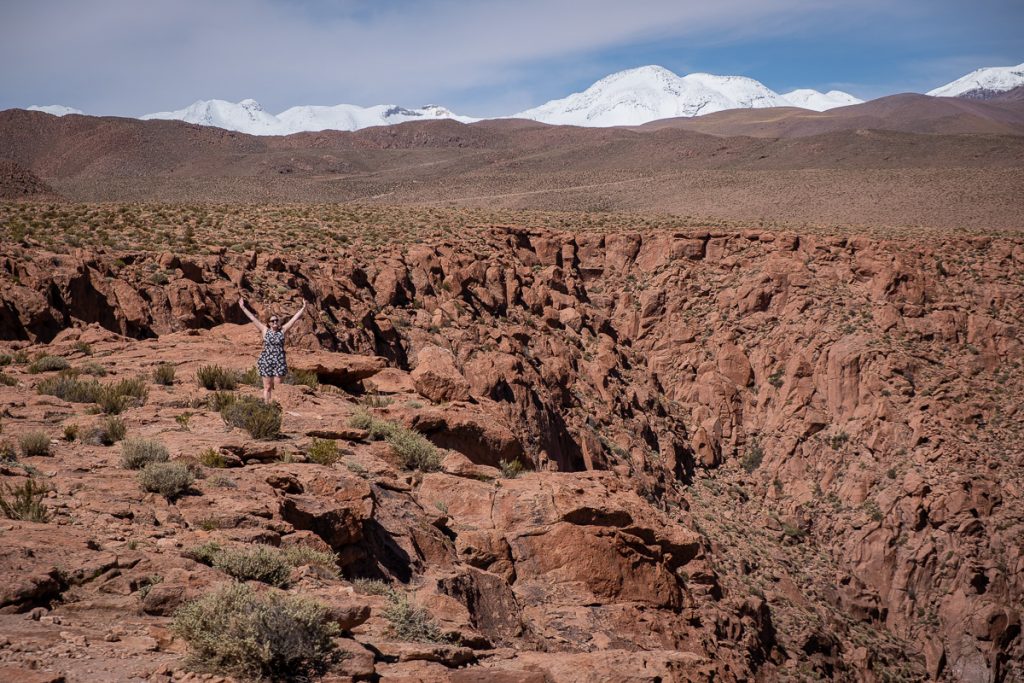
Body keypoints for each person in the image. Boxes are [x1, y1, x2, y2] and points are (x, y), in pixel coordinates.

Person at [238, 297, 306, 403]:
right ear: (269, 323)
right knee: (267, 387)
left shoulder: (282, 330)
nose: (275, 322)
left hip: (279, 361)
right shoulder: (264, 330)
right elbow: (252, 318)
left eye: (276, 320)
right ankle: (267, 407)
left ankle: (276, 406)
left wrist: (303, 308)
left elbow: (294, 319)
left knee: (278, 388)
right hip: (266, 361)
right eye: (272, 321)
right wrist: (243, 307)